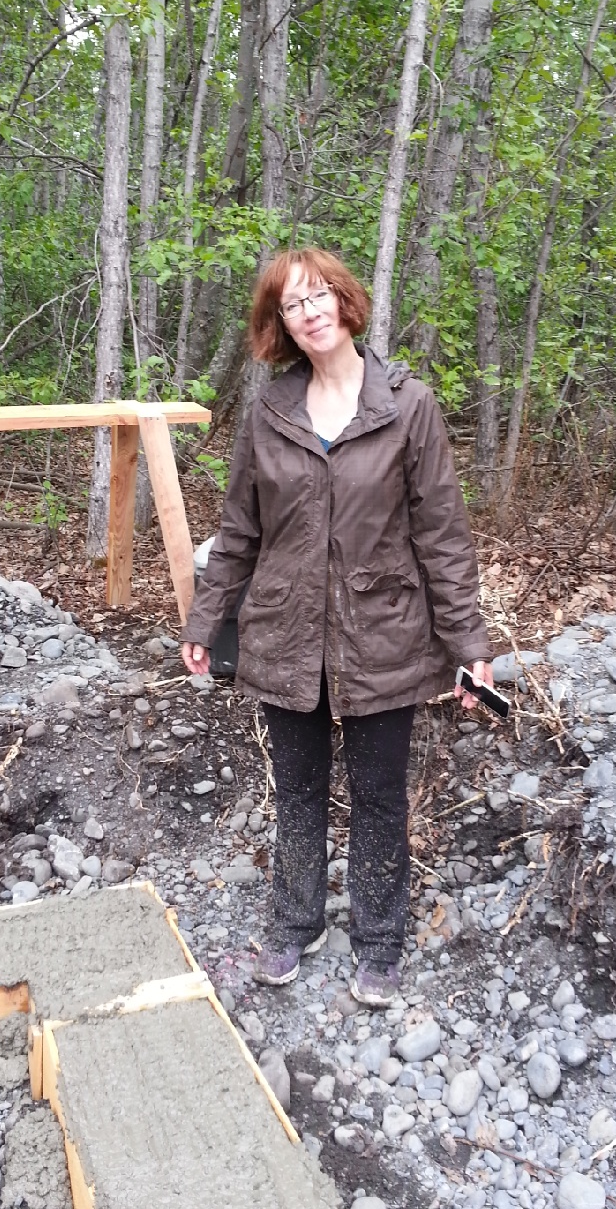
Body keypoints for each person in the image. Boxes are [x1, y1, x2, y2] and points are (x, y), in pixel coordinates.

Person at [181, 248, 494, 1007]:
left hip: (384, 634)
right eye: (294, 304)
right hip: (287, 635)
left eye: (320, 295)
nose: (311, 311)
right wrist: (205, 616)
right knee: (297, 790)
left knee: (381, 794)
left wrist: (469, 648)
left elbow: (443, 537)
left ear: (346, 303)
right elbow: (239, 529)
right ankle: (297, 923)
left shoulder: (406, 405)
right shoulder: (271, 411)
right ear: (280, 325)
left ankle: (379, 942)